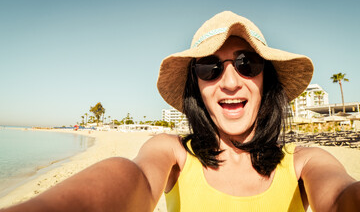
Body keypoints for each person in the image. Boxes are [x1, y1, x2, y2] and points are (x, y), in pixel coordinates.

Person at [2, 11, 359, 212]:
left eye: (246, 63)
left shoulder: (306, 163)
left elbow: (342, 195)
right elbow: (133, 178)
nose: (231, 82)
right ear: (197, 89)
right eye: (210, 67)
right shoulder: (173, 153)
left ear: (268, 80)